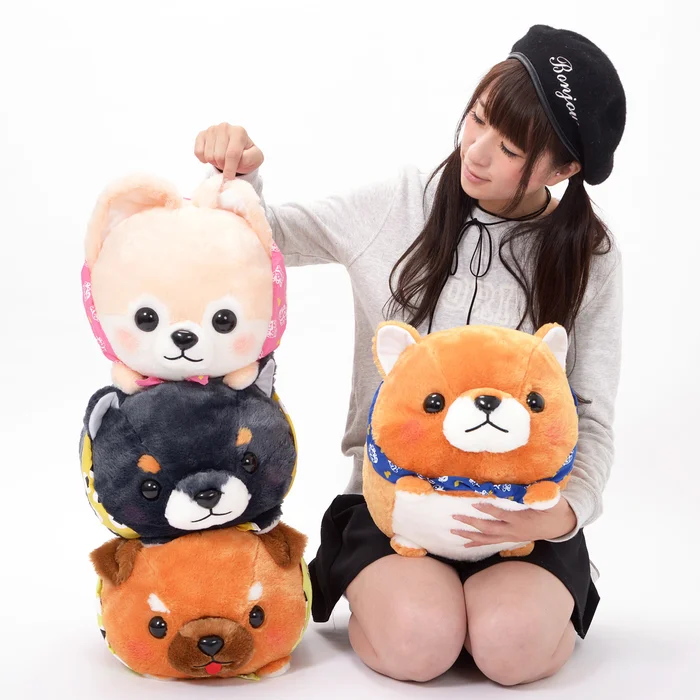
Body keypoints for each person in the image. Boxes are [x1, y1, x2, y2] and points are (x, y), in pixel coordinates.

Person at [194, 24, 625, 686]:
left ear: (564, 170)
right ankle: (414, 599)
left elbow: (590, 412)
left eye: (510, 148)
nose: (475, 151)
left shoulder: (588, 255)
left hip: (518, 516)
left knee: (510, 652)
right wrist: (240, 174)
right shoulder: (400, 205)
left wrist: (566, 512)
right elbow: (264, 237)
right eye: (477, 118)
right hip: (395, 502)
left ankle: (513, 606)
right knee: (418, 646)